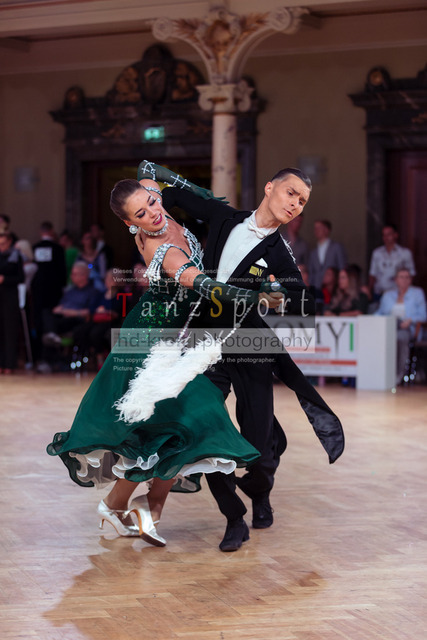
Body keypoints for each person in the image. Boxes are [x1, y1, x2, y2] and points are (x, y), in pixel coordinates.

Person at [47, 179, 283, 547]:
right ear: (131, 224)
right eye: (141, 214)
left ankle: (130, 506)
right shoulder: (164, 251)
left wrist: (195, 192)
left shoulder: (158, 206)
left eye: (153, 202)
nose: (154, 213)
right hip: (151, 341)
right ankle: (135, 506)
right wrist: (257, 296)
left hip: (177, 337)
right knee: (182, 419)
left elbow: (150, 174)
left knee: (173, 427)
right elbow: (208, 287)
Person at [139, 161, 344, 552]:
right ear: (269, 188)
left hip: (251, 347)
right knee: (206, 427)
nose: (296, 204)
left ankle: (260, 492)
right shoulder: (224, 217)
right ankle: (234, 518)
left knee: (259, 445)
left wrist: (278, 296)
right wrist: (148, 187)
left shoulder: (279, 253)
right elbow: (170, 194)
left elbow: (305, 303)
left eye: (302, 201)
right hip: (205, 344)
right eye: (291, 193)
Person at [376, 268, 427, 385]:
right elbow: (380, 312)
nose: (404, 280)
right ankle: (379, 373)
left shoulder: (417, 294)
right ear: (396, 279)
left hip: (408, 328)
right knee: (384, 337)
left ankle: (398, 374)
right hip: (389, 327)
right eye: (401, 277)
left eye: (407, 277)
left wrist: (410, 320)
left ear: (411, 280)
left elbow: (423, 315)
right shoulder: (388, 295)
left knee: (399, 337)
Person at [31, 221, 67, 367]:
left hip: (38, 292)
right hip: (53, 292)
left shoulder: (35, 248)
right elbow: (62, 272)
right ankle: (51, 356)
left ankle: (39, 357)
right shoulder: (58, 249)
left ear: (41, 232)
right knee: (52, 321)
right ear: (51, 231)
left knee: (39, 322)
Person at [369, 225, 416, 301]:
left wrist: (406, 292)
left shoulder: (405, 253)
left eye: (389, 234)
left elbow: (411, 274)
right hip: (379, 293)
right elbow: (372, 273)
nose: (386, 237)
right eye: (384, 235)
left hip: (397, 293)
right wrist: (369, 290)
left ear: (395, 235)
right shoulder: (377, 253)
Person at [0, 232, 24, 373]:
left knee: (10, 331)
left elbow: (20, 278)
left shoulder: (15, 256)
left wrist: (5, 280)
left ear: (9, 242)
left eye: (3, 243)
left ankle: (9, 364)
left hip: (10, 297)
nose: (1, 246)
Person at [308, 220, 347, 290]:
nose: (316, 230)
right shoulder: (313, 253)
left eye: (319, 228)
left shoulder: (336, 247)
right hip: (317, 289)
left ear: (326, 230)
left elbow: (342, 267)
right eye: (315, 228)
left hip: (334, 289)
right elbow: (311, 273)